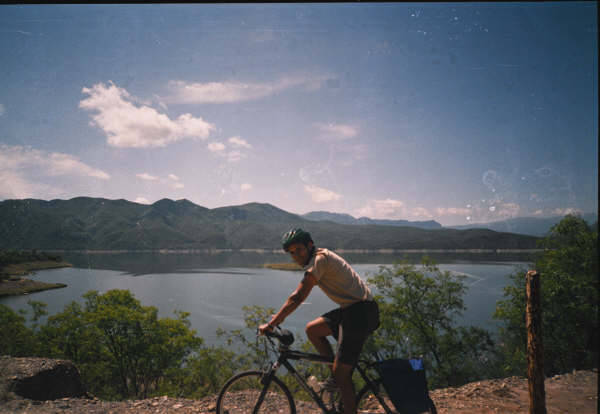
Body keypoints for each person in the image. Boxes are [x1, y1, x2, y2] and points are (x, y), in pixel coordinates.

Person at [259, 228, 380, 414]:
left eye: (298, 249)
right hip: (351, 310)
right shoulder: (317, 258)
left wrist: (271, 324)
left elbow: (297, 297)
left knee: (342, 375)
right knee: (312, 330)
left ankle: (340, 383)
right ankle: (335, 376)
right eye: (291, 253)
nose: (295, 255)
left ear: (309, 245)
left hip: (361, 313)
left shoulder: (319, 260)